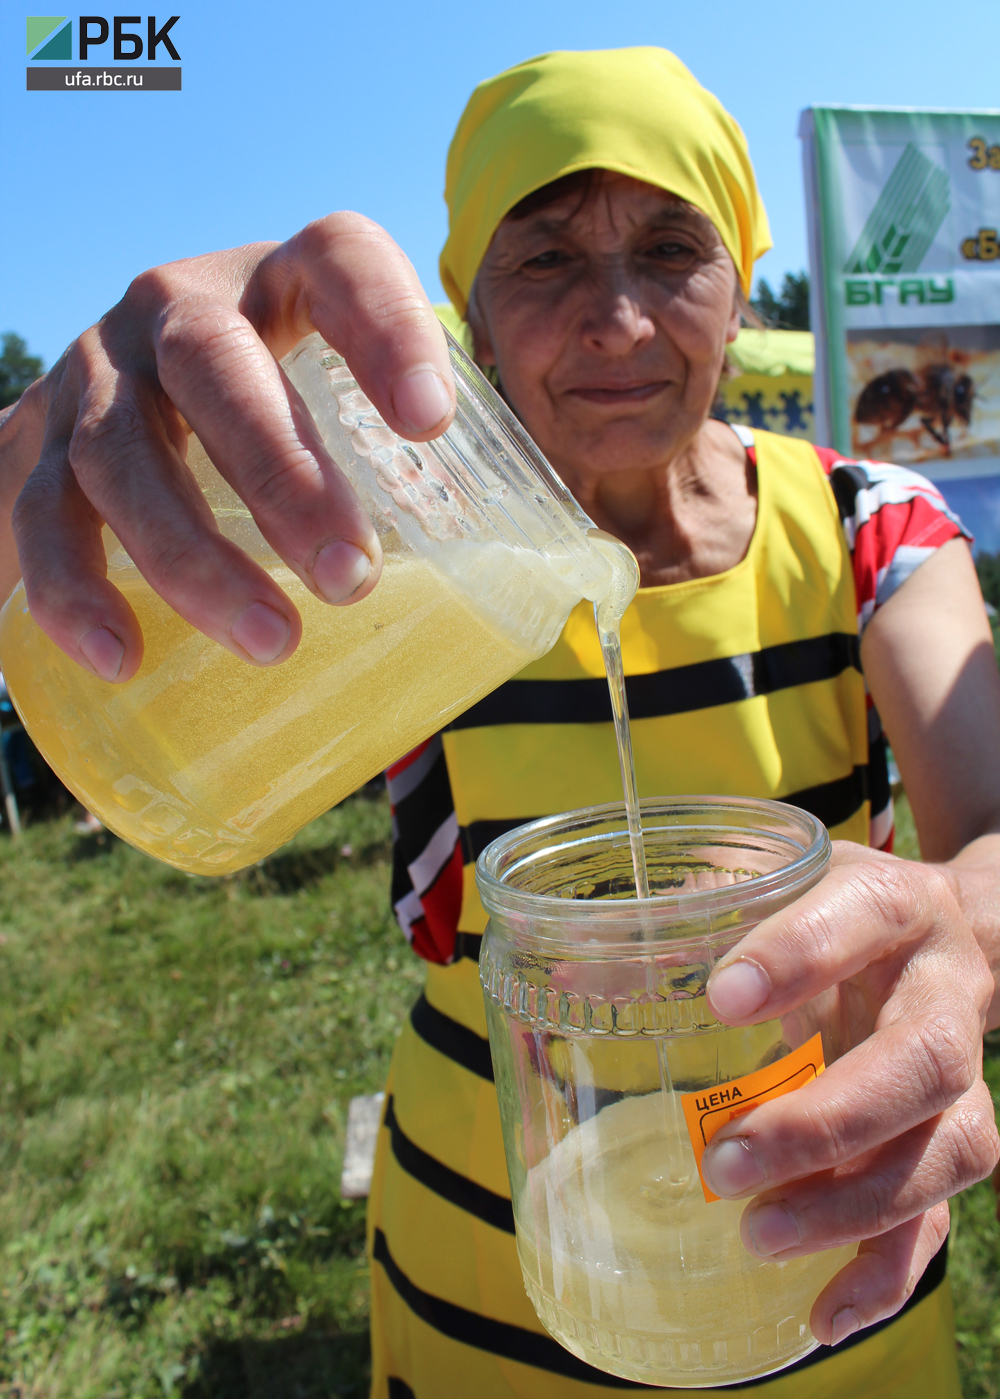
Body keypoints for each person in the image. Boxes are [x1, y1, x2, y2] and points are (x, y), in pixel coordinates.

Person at [1, 45, 998, 1399]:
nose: (619, 320)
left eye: (670, 248)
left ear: (743, 277)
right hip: (492, 1278)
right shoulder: (398, 566)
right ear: (460, 314)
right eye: (543, 262)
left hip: (817, 1251)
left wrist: (959, 927)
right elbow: (155, 632)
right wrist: (180, 420)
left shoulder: (869, 524)